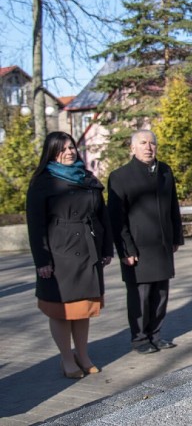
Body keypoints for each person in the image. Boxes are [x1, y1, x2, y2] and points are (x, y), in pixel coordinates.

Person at [26, 132, 113, 379]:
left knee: (83, 307)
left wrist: (106, 248)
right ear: (52, 152)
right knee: (62, 310)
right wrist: (42, 261)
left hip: (88, 250)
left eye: (72, 147)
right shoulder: (43, 182)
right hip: (59, 253)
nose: (69, 151)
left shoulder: (87, 178)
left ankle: (83, 355)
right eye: (62, 148)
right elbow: (35, 225)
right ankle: (67, 359)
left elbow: (102, 216)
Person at [107, 130, 183, 355]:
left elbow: (173, 208)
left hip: (161, 245)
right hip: (137, 247)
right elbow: (116, 218)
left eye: (152, 143)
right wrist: (125, 249)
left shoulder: (165, 172)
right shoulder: (120, 176)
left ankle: (156, 335)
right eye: (143, 143)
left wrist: (176, 237)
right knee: (140, 297)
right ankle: (140, 339)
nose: (149, 147)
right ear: (132, 148)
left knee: (160, 294)